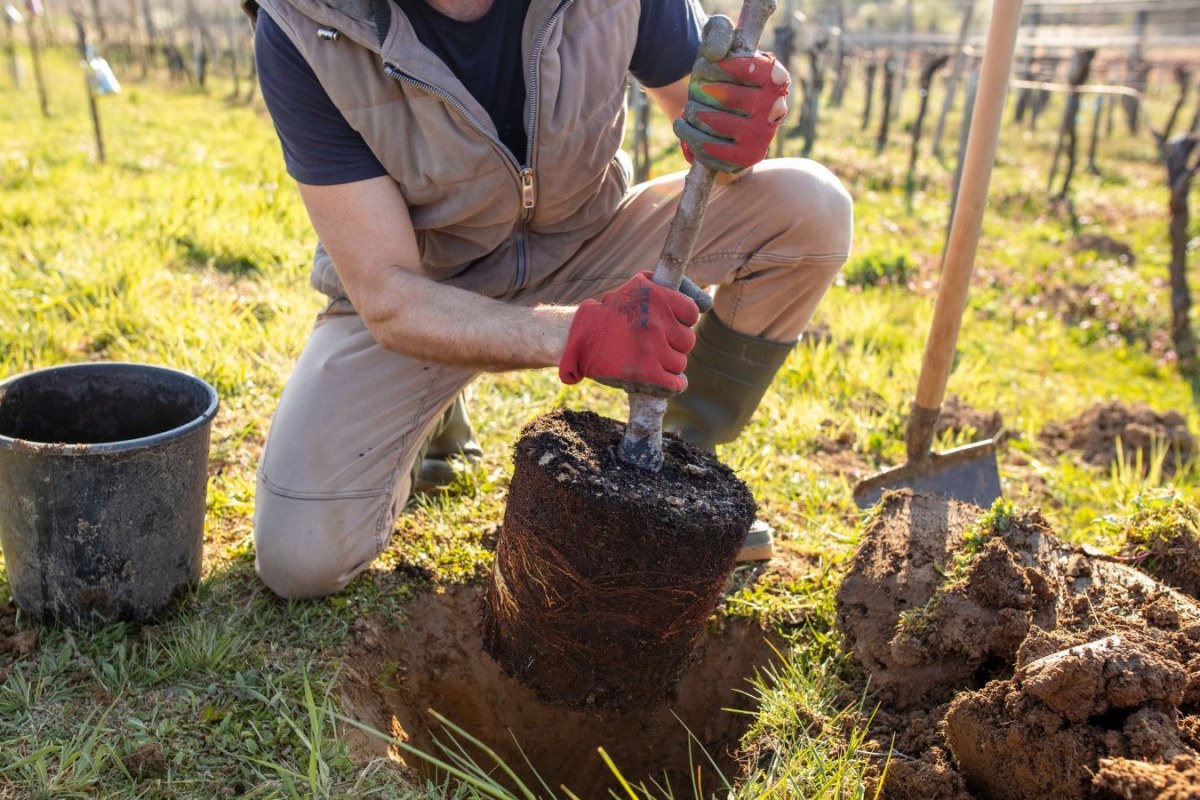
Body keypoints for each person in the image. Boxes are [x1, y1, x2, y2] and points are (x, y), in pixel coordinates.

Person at [245, 0, 853, 599]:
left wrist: (734, 122)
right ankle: (430, 414)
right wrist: (580, 336)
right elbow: (388, 295)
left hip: (589, 240)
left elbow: (702, 107)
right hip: (430, 289)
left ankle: (675, 478)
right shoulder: (308, 24)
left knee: (811, 208)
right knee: (301, 557)